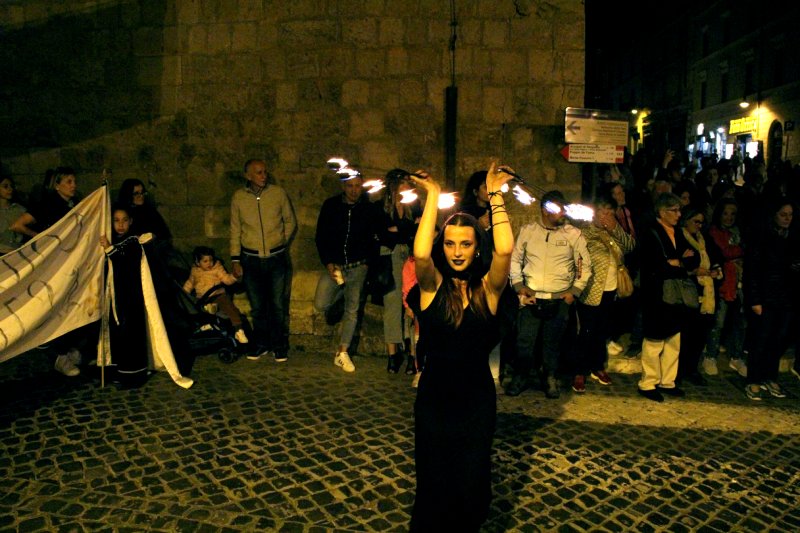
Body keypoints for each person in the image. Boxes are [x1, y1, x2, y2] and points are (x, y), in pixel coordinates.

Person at [408, 162, 514, 532]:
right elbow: (421, 254)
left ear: (475, 247)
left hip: (475, 401)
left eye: (465, 244)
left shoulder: (489, 290)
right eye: (450, 244)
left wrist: (496, 195)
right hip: (435, 400)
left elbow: (505, 250)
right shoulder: (431, 286)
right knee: (434, 484)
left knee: (471, 486)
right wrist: (433, 197)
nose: (456, 252)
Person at [504, 190, 592, 399]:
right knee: (524, 342)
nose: (564, 212)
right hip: (531, 297)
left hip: (559, 298)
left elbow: (584, 266)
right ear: (545, 210)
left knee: (552, 344)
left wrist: (574, 291)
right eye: (558, 208)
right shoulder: (528, 231)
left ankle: (550, 377)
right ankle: (521, 375)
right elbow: (515, 260)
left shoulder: (573, 235)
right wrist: (518, 285)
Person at [11, 167, 88, 377]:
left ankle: (67, 349)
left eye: (74, 181)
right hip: (52, 265)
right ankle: (58, 355)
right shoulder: (47, 203)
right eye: (69, 181)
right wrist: (44, 239)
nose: (73, 185)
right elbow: (18, 225)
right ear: (57, 184)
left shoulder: (72, 204)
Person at [314, 170, 385, 372]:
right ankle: (344, 296)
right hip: (336, 267)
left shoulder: (368, 209)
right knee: (321, 303)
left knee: (352, 311)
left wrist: (367, 264)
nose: (354, 191)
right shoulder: (331, 206)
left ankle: (342, 352)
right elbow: (321, 236)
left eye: (357, 186)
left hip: (358, 266)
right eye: (350, 186)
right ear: (343, 186)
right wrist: (328, 262)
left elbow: (376, 237)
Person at [231, 159, 297, 362]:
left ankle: (279, 345)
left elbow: (289, 220)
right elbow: (235, 229)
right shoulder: (239, 198)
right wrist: (235, 259)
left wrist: (280, 242)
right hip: (251, 259)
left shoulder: (277, 194)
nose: (263, 176)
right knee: (257, 305)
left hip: (275, 258)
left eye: (264, 172)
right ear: (248, 176)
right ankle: (261, 344)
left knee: (277, 304)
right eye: (258, 173)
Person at [570, 195, 635, 393]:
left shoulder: (616, 233)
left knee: (602, 330)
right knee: (586, 331)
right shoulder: (585, 232)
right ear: (595, 212)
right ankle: (579, 371)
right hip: (590, 290)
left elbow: (630, 246)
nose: (606, 216)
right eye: (602, 212)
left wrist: (614, 229)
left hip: (610, 289)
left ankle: (597, 366)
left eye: (610, 213)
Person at [637, 193, 696, 402]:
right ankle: (648, 381)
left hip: (675, 294)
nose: (679, 215)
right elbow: (655, 266)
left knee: (673, 339)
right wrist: (680, 263)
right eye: (675, 210)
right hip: (657, 294)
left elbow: (693, 258)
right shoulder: (651, 233)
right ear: (662, 212)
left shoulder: (678, 233)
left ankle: (667, 380)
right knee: (654, 340)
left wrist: (676, 262)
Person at [743, 199, 796, 400]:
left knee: (778, 340)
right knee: (761, 339)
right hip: (765, 297)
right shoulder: (762, 237)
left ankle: (769, 376)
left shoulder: (792, 238)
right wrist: (755, 299)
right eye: (783, 214)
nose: (787, 219)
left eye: (790, 215)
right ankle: (753, 379)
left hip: (786, 298)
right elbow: (753, 271)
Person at [99, 204, 150, 388]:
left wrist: (109, 248)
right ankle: (118, 370)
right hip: (114, 296)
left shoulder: (133, 242)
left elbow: (125, 262)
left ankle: (133, 375)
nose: (120, 225)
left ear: (131, 222)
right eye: (116, 220)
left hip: (129, 297)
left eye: (124, 220)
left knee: (130, 334)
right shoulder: (115, 241)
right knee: (116, 334)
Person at [377, 169, 420, 373]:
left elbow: (418, 229)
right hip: (391, 255)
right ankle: (392, 354)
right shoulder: (381, 208)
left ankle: (413, 353)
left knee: (411, 303)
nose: (408, 187)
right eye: (404, 183)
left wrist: (399, 229)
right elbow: (382, 234)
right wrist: (406, 229)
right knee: (392, 304)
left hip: (410, 256)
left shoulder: (414, 205)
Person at [677, 205, 722, 386]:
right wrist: (694, 271)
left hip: (706, 294)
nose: (699, 225)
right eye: (696, 221)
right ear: (686, 220)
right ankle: (678, 371)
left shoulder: (704, 240)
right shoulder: (680, 237)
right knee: (685, 335)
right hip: (688, 292)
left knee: (699, 335)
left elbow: (717, 256)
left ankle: (691, 369)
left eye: (702, 222)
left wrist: (716, 269)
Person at [703, 199, 747, 377]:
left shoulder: (737, 232)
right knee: (718, 322)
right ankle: (710, 355)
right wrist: (737, 252)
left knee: (741, 322)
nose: (729, 217)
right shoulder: (713, 232)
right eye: (725, 213)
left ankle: (736, 356)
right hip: (723, 283)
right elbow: (724, 253)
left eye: (733, 214)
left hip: (739, 283)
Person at [183, 246, 250, 345]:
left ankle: (239, 330)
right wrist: (183, 293)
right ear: (197, 262)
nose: (209, 263)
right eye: (205, 261)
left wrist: (234, 276)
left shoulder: (217, 268)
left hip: (217, 295)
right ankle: (208, 317)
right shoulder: (195, 271)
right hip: (203, 298)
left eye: (211, 260)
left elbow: (226, 279)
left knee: (230, 308)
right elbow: (190, 283)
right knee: (199, 308)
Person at [0, 176, 26, 254]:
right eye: (5, 186)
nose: (10, 189)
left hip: (18, 252)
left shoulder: (20, 209)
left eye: (11, 186)